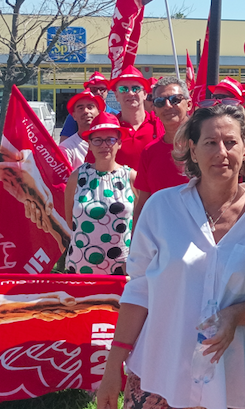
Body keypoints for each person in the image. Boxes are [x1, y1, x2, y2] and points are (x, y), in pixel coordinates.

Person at [96, 103, 245, 409]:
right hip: (159, 374)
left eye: (230, 142)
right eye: (210, 142)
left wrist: (236, 315)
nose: (221, 152)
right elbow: (139, 289)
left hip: (236, 383)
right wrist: (113, 366)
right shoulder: (161, 207)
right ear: (192, 149)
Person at [63, 112, 137, 275]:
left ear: (119, 143)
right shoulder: (77, 177)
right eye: (97, 140)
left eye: (110, 140)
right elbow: (70, 220)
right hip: (80, 267)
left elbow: (141, 224)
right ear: (89, 144)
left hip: (121, 268)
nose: (104, 145)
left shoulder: (131, 177)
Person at [132, 76, 192, 225]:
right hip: (160, 233)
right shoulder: (149, 152)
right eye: (160, 101)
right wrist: (135, 237)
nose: (167, 106)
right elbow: (142, 205)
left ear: (189, 104)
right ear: (154, 109)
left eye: (175, 99)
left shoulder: (206, 146)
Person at [105, 65, 163, 169]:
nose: (130, 93)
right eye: (123, 89)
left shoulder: (161, 125)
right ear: (116, 96)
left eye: (136, 88)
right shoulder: (108, 129)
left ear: (144, 94)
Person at [59, 72, 116, 142]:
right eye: (93, 89)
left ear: (107, 91)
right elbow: (64, 143)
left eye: (102, 89)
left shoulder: (115, 115)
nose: (98, 92)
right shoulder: (77, 115)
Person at [59, 90, 104, 168]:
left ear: (99, 113)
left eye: (90, 107)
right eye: (81, 108)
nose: (86, 111)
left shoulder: (110, 143)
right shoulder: (66, 148)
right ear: (74, 116)